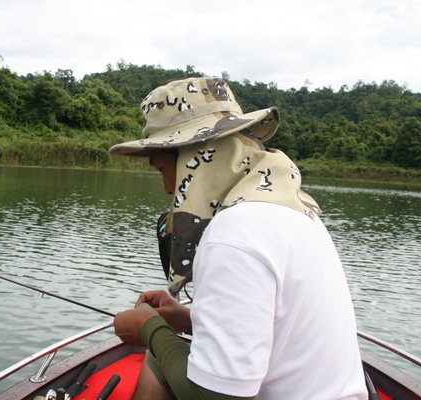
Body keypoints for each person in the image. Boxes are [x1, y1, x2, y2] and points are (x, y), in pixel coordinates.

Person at [110, 77, 368, 400]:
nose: (167, 189)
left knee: (158, 355)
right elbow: (277, 328)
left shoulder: (232, 234)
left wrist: (149, 329)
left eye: (162, 170)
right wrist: (189, 319)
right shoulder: (292, 209)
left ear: (195, 159)